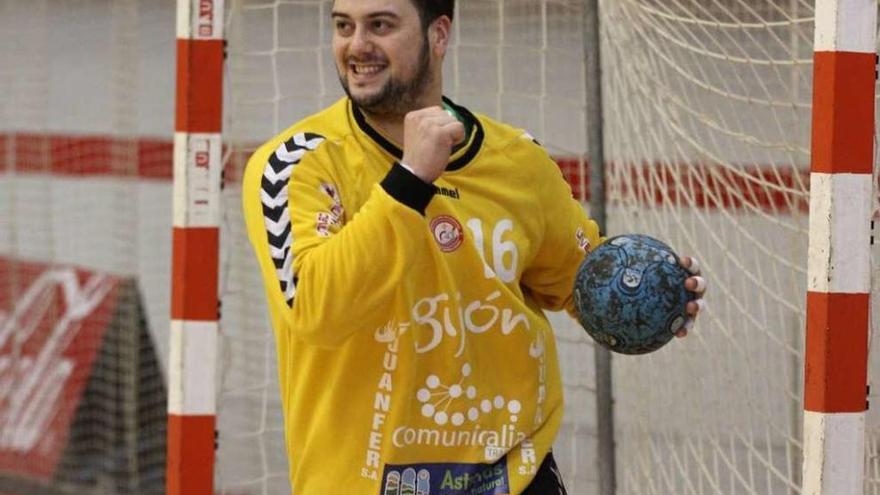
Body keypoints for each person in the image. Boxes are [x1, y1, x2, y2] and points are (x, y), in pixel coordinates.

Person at [242, 0, 707, 493]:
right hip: (366, 481)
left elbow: (581, 283)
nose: (357, 46)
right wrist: (409, 180)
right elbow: (318, 309)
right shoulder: (296, 165)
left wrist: (649, 292)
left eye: (380, 25)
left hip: (510, 475)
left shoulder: (518, 162)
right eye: (344, 26)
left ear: (438, 34)